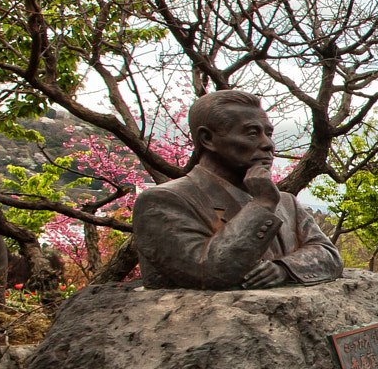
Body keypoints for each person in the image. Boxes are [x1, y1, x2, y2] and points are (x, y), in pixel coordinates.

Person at [133, 90, 344, 289]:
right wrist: (261, 205)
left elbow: (329, 256)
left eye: (268, 134)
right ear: (208, 139)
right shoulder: (162, 201)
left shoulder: (286, 203)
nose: (268, 144)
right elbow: (210, 271)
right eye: (252, 134)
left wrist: (284, 269)